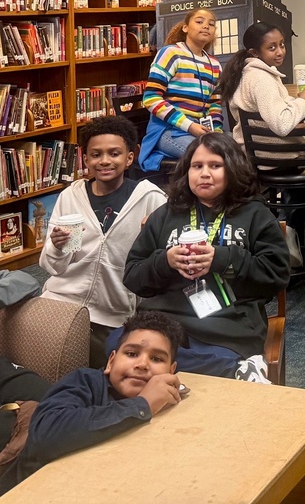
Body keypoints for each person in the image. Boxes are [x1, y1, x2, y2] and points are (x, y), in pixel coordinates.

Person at [121, 133, 290, 383]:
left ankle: (197, 367)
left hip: (226, 325)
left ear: (232, 169)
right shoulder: (165, 214)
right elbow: (133, 277)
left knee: (144, 364)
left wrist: (222, 260)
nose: (204, 173)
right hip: (164, 324)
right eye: (197, 166)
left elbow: (276, 276)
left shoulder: (256, 214)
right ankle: (233, 369)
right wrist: (165, 262)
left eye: (215, 166)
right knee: (118, 345)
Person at [0, 311, 184, 495]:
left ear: (171, 370)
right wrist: (142, 405)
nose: (143, 364)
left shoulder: (168, 399)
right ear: (111, 361)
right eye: (131, 353)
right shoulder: (84, 382)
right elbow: (45, 432)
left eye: (157, 359)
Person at [39, 116, 168, 367]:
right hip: (63, 300)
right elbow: (55, 267)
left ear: (130, 157)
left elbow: (160, 263)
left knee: (109, 372)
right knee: (43, 362)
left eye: (114, 153)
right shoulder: (72, 197)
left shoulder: (150, 199)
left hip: (115, 311)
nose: (105, 161)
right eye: (96, 154)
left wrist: (152, 238)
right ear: (85, 159)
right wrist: (57, 246)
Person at [217, 20, 305, 252]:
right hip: (278, 158)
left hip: (257, 157)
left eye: (282, 45)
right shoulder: (261, 79)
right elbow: (282, 124)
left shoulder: (246, 73)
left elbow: (270, 114)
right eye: (272, 47)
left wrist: (293, 102)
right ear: (254, 52)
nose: (280, 52)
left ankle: (290, 232)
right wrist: (304, 100)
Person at [139, 8, 223, 171]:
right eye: (199, 22)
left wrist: (216, 131)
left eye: (211, 24)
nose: (206, 26)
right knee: (210, 157)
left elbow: (215, 103)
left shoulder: (214, 64)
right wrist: (189, 126)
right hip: (167, 131)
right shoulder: (171, 53)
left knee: (236, 150)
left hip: (202, 130)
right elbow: (151, 98)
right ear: (185, 28)